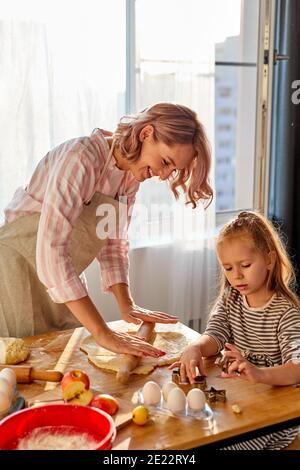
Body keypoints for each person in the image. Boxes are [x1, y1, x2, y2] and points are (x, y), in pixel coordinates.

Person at [0, 102, 213, 358]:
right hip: (15, 274)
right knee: (22, 366)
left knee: (65, 362)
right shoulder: (80, 159)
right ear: (146, 134)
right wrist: (102, 332)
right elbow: (51, 251)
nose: (162, 174)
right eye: (165, 162)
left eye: (173, 170)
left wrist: (127, 304)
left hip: (62, 277)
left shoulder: (129, 179)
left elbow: (113, 244)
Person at [171, 211, 300, 450]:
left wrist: (259, 374)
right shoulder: (232, 297)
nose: (236, 276)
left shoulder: (286, 313)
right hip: (243, 400)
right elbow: (216, 334)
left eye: (245, 265)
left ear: (269, 260)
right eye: (228, 268)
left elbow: (297, 368)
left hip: (275, 416)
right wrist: (195, 348)